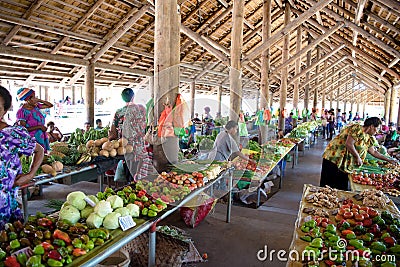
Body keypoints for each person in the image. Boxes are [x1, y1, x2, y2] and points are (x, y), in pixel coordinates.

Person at [0, 86, 44, 229]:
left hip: (4, 207)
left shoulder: (11, 134)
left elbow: (39, 151)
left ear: (4, 111)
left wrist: (30, 174)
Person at [320, 117, 397, 190]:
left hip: (344, 163)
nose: (377, 131)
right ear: (371, 126)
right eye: (377, 128)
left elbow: (374, 152)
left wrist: (388, 159)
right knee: (328, 184)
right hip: (334, 158)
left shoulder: (368, 137)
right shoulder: (357, 128)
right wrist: (358, 157)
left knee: (340, 186)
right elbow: (349, 144)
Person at [109, 88, 147, 181]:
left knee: (129, 176)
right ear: (133, 97)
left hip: (125, 149)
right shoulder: (142, 109)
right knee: (140, 177)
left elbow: (113, 134)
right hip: (140, 149)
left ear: (122, 98)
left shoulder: (118, 112)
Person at [16, 88, 53, 152]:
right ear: (28, 99)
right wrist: (39, 127)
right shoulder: (22, 111)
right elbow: (22, 129)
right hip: (32, 139)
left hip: (41, 136)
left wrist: (40, 100)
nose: (36, 99)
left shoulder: (36, 106)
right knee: (36, 156)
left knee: (43, 156)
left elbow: (50, 105)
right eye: (34, 97)